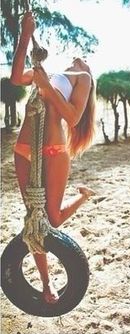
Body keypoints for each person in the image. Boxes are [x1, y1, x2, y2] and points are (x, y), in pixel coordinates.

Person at [10, 12, 96, 304]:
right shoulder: (46, 72)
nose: (79, 57)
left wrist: (46, 86)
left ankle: (82, 197)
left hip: (54, 152)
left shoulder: (81, 78)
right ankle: (46, 284)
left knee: (54, 219)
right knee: (35, 220)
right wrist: (24, 36)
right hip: (24, 148)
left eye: (84, 58)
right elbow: (15, 77)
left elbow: (72, 118)